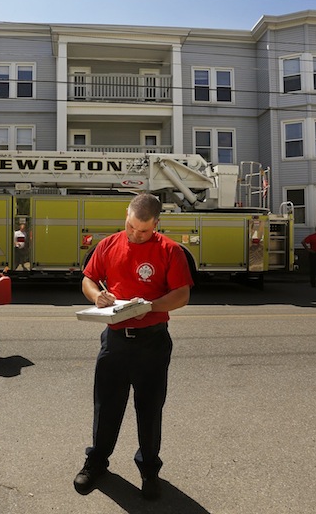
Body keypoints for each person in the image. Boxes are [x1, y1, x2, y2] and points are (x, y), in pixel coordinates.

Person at [73, 192, 193, 501]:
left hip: (152, 341)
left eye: (144, 230)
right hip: (114, 341)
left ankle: (149, 471)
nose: (136, 234)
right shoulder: (109, 244)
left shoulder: (170, 251)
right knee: (106, 405)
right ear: (126, 216)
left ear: (156, 223)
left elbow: (181, 295)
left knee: (149, 410)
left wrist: (150, 306)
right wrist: (96, 296)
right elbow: (88, 279)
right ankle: (97, 462)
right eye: (131, 226)